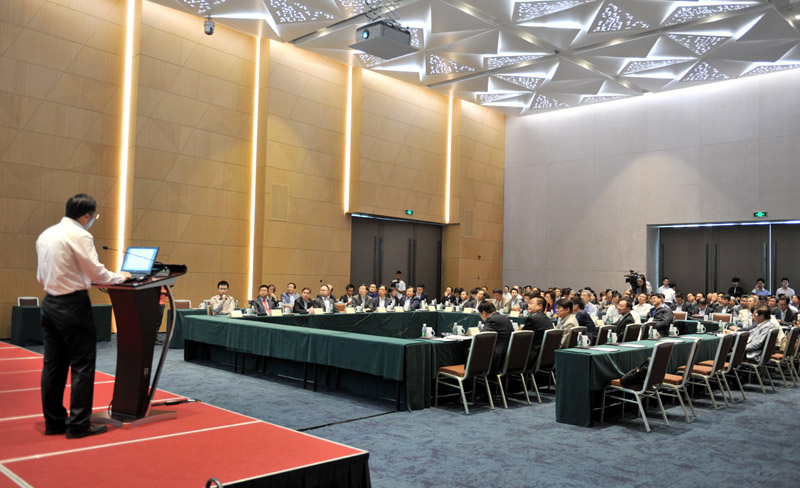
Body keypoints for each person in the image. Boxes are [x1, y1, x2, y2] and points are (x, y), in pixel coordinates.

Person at [36, 194, 130, 439]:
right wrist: (121, 277)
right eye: (94, 217)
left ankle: (54, 422)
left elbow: (40, 275)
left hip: (50, 303)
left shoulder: (46, 234)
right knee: (82, 365)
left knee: (53, 366)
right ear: (86, 216)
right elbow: (96, 272)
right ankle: (79, 424)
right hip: (72, 306)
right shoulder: (80, 235)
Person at [477, 302, 513, 375]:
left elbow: (482, 337)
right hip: (508, 355)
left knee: (472, 349)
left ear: (484, 313)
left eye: (480, 314)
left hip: (497, 358)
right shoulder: (505, 318)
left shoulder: (491, 319)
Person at [522, 296, 554, 367]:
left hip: (533, 357)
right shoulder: (547, 319)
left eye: (531, 303)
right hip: (545, 356)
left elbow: (521, 338)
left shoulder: (532, 319)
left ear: (540, 306)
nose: (528, 305)